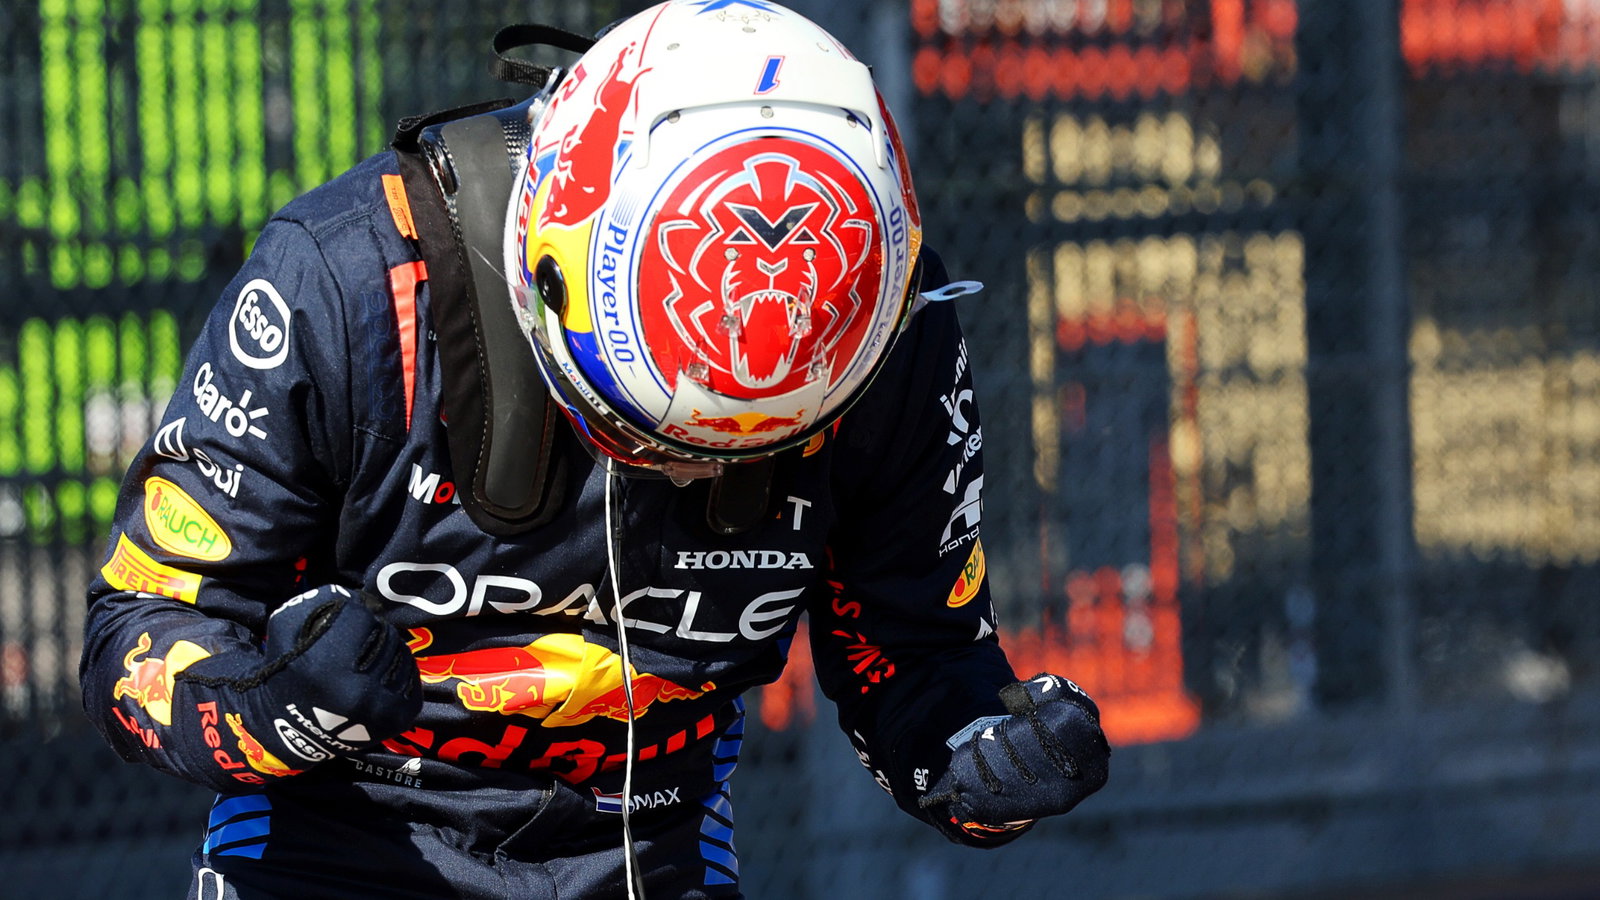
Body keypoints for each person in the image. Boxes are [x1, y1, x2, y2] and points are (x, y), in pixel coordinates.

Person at [80, 2, 1110, 897]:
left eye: (759, 449)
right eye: (632, 427)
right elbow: (140, 627)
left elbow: (918, 657)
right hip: (334, 844)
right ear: (543, 278)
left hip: (644, 849)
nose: (694, 470)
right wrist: (271, 708)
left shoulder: (891, 328)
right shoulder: (345, 285)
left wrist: (984, 761)